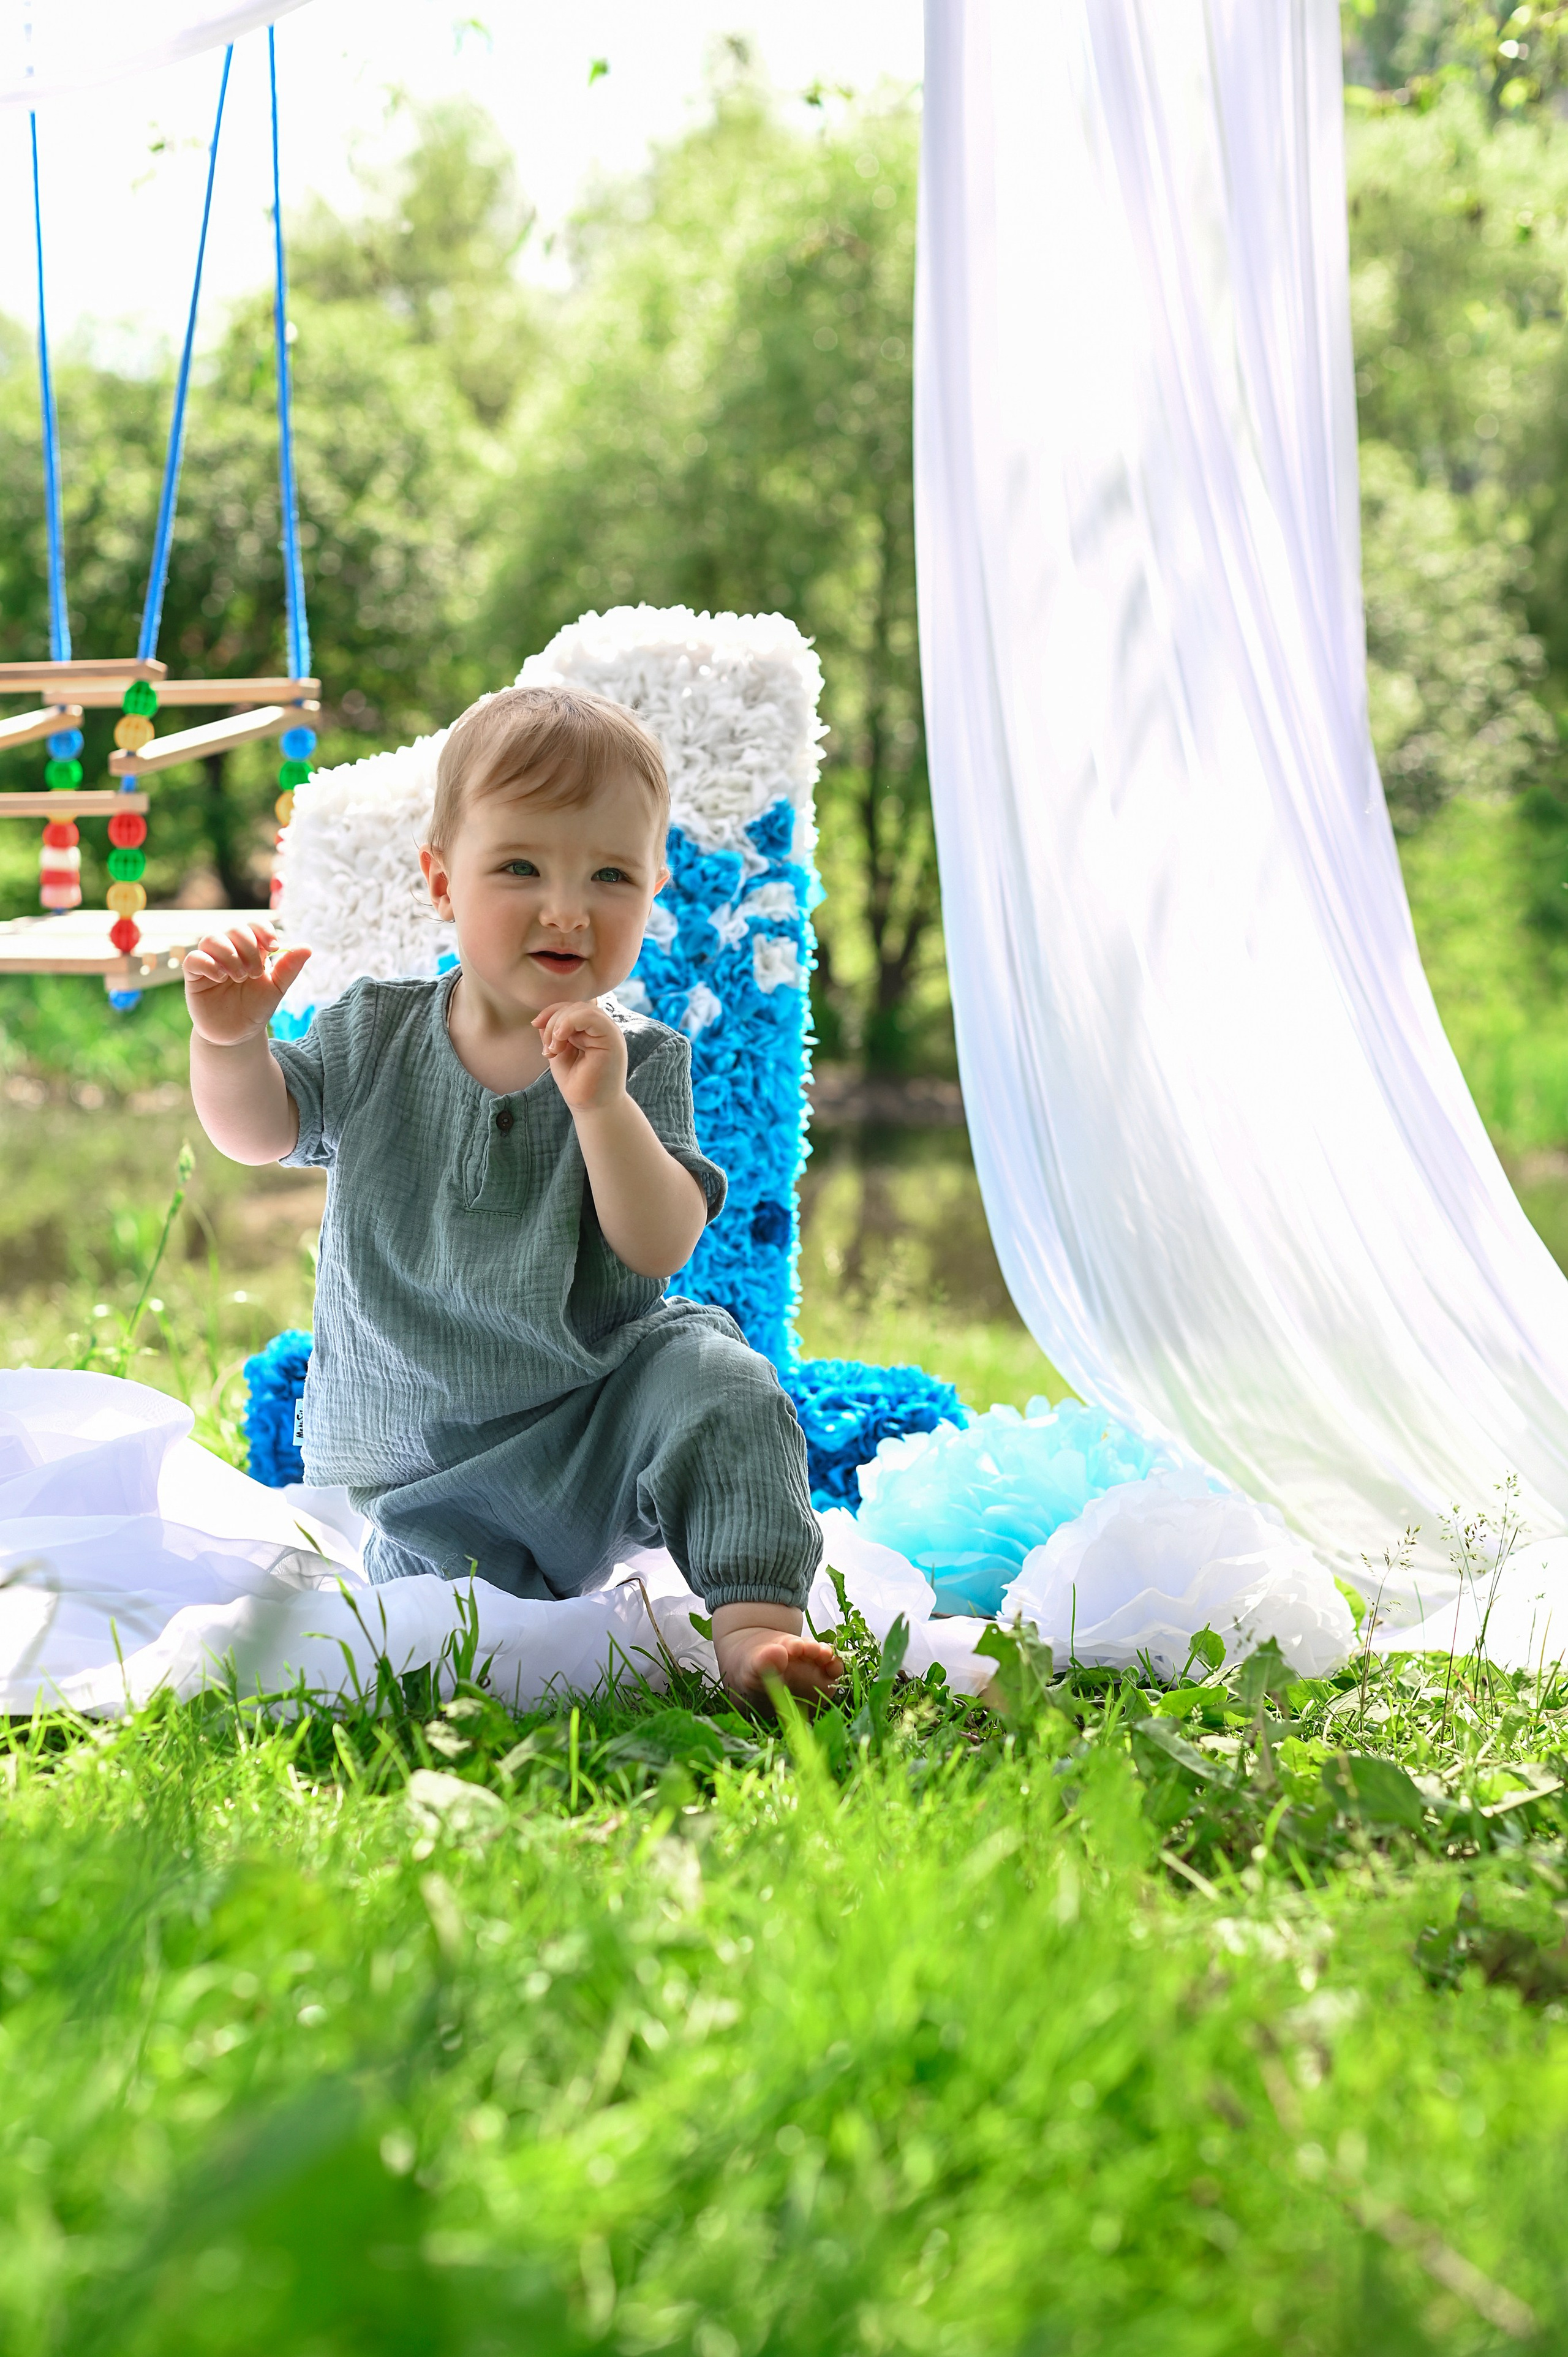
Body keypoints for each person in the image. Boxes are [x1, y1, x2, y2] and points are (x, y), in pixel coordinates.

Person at [183, 683, 840, 1705]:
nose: (568, 908)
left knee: (723, 1382)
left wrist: (603, 1107)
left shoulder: (640, 1058)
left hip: (594, 1419)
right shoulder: (377, 1032)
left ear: (656, 888)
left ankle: (755, 1632)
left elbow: (661, 1245)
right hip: (420, 1465)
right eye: (521, 867)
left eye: (612, 874)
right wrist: (229, 1043)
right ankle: (480, 1594)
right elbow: (259, 1132)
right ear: (443, 882)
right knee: (449, 1639)